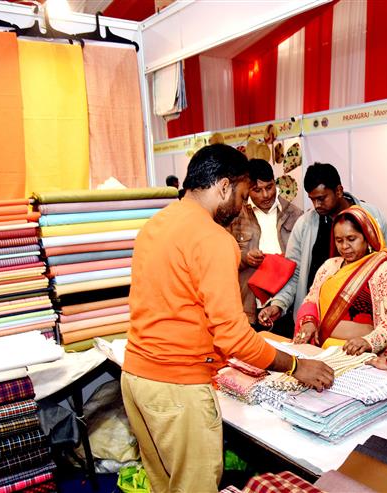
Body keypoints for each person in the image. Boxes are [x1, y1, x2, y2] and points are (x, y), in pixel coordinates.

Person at [122, 144, 333, 493]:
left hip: (138, 379)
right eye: (240, 194)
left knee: (164, 486)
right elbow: (234, 336)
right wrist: (297, 367)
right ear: (223, 186)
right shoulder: (212, 238)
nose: (240, 207)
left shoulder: (156, 224)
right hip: (179, 387)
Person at [258, 162, 387, 328]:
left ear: (338, 191)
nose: (316, 205)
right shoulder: (304, 224)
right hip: (316, 321)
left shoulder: (372, 216)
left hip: (365, 322)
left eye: (321, 198)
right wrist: (279, 304)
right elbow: (294, 273)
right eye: (312, 199)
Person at [293, 206, 387, 357]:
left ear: (367, 237)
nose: (344, 246)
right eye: (339, 240)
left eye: (351, 239)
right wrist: (309, 321)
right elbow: (311, 299)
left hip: (364, 354)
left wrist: (370, 341)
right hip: (321, 352)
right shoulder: (330, 267)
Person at [227, 159, 302, 336]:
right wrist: (244, 257)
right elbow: (220, 259)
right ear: (247, 188)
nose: (266, 195)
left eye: (269, 187)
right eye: (257, 190)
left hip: (286, 305)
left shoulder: (295, 214)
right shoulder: (236, 216)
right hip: (249, 306)